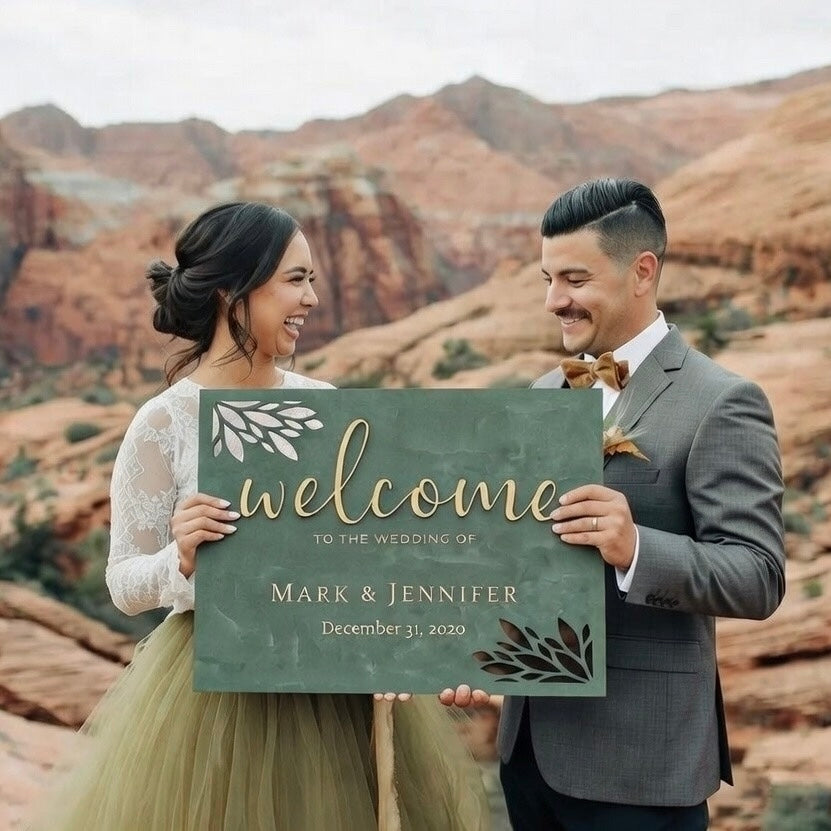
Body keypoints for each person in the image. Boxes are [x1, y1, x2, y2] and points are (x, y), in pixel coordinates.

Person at [33, 201, 488, 831]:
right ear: (231, 290)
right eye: (295, 280)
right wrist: (179, 559)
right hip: (213, 702)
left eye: (312, 280)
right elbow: (123, 582)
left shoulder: (326, 407)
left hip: (333, 690)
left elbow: (362, 559)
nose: (312, 299)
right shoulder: (165, 422)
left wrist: (392, 642)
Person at [441, 178, 785, 830]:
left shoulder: (721, 401)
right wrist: (466, 654)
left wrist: (634, 549)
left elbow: (757, 576)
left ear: (641, 272)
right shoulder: (543, 391)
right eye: (546, 278)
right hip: (528, 754)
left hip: (641, 765)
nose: (553, 300)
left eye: (572, 278)